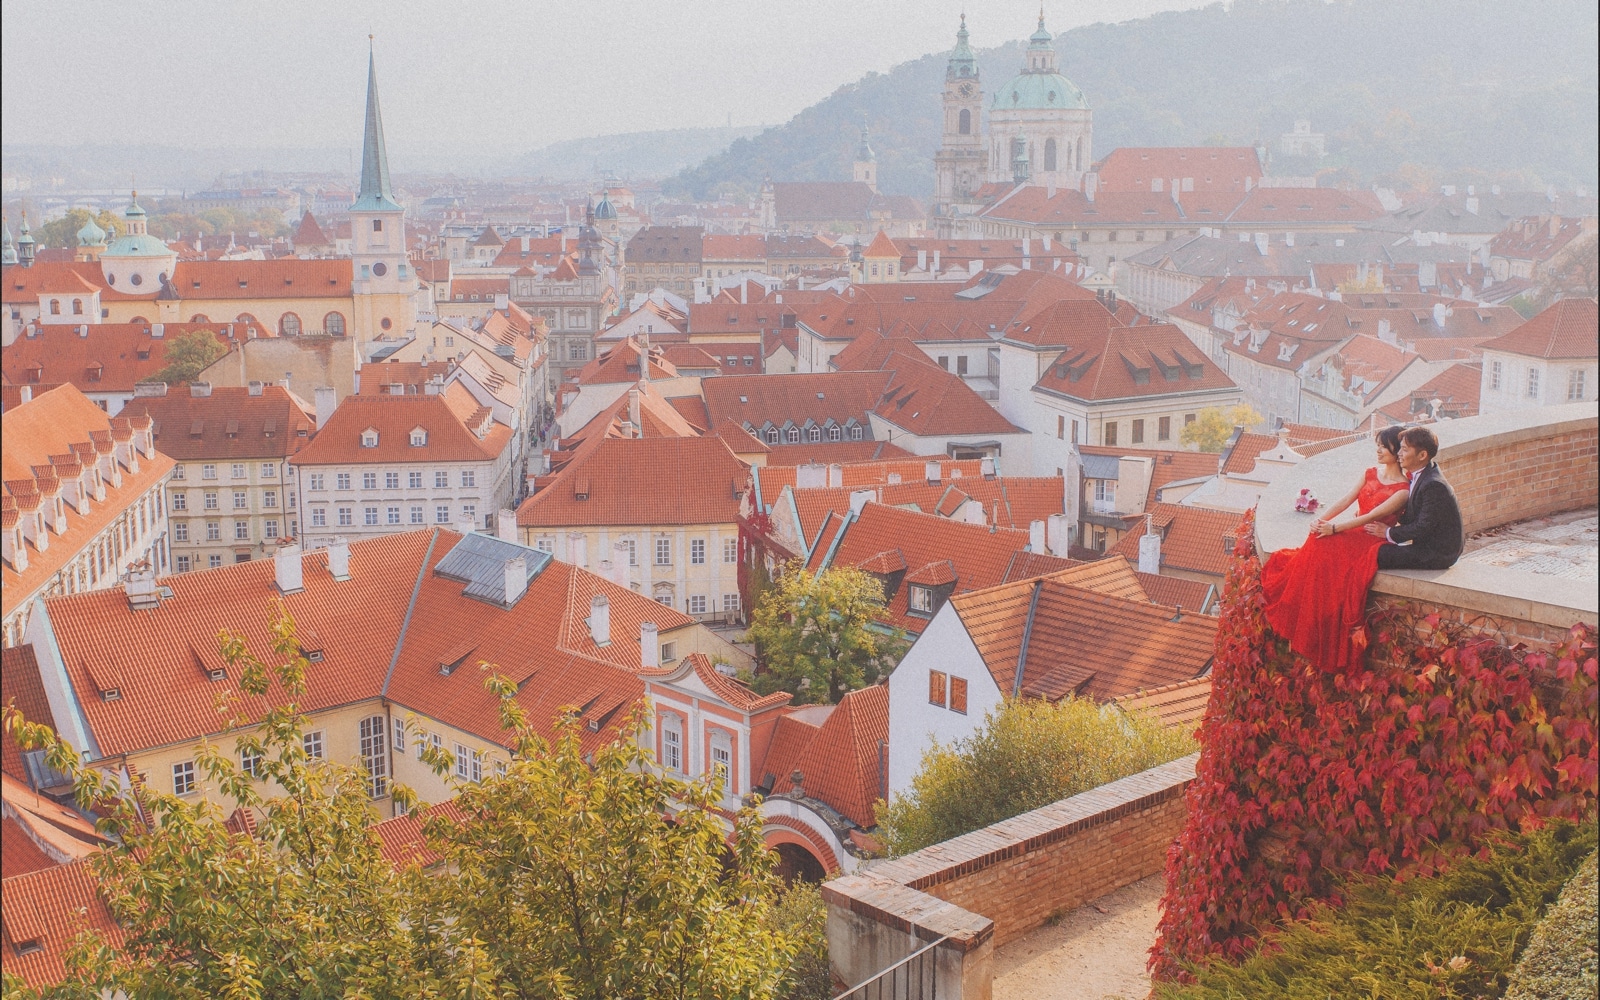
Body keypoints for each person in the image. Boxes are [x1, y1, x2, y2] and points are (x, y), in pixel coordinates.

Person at [1260, 426, 1411, 672]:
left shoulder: (1403, 490)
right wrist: (1323, 519)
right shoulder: (1370, 473)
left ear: (1397, 450)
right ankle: (1305, 607)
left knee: (1326, 543)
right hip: (1353, 529)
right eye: (1378, 445)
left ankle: (1317, 618)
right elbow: (1346, 499)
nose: (1379, 450)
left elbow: (1370, 517)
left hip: (1370, 538)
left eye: (1384, 446)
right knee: (1317, 536)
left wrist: (1335, 528)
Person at [1367, 426, 1464, 571]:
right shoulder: (1421, 475)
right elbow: (1410, 516)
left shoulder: (1434, 485)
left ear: (1422, 455)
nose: (1398, 453)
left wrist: (1388, 532)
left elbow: (1422, 526)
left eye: (1404, 450)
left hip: (1438, 553)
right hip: (1426, 543)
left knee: (1375, 553)